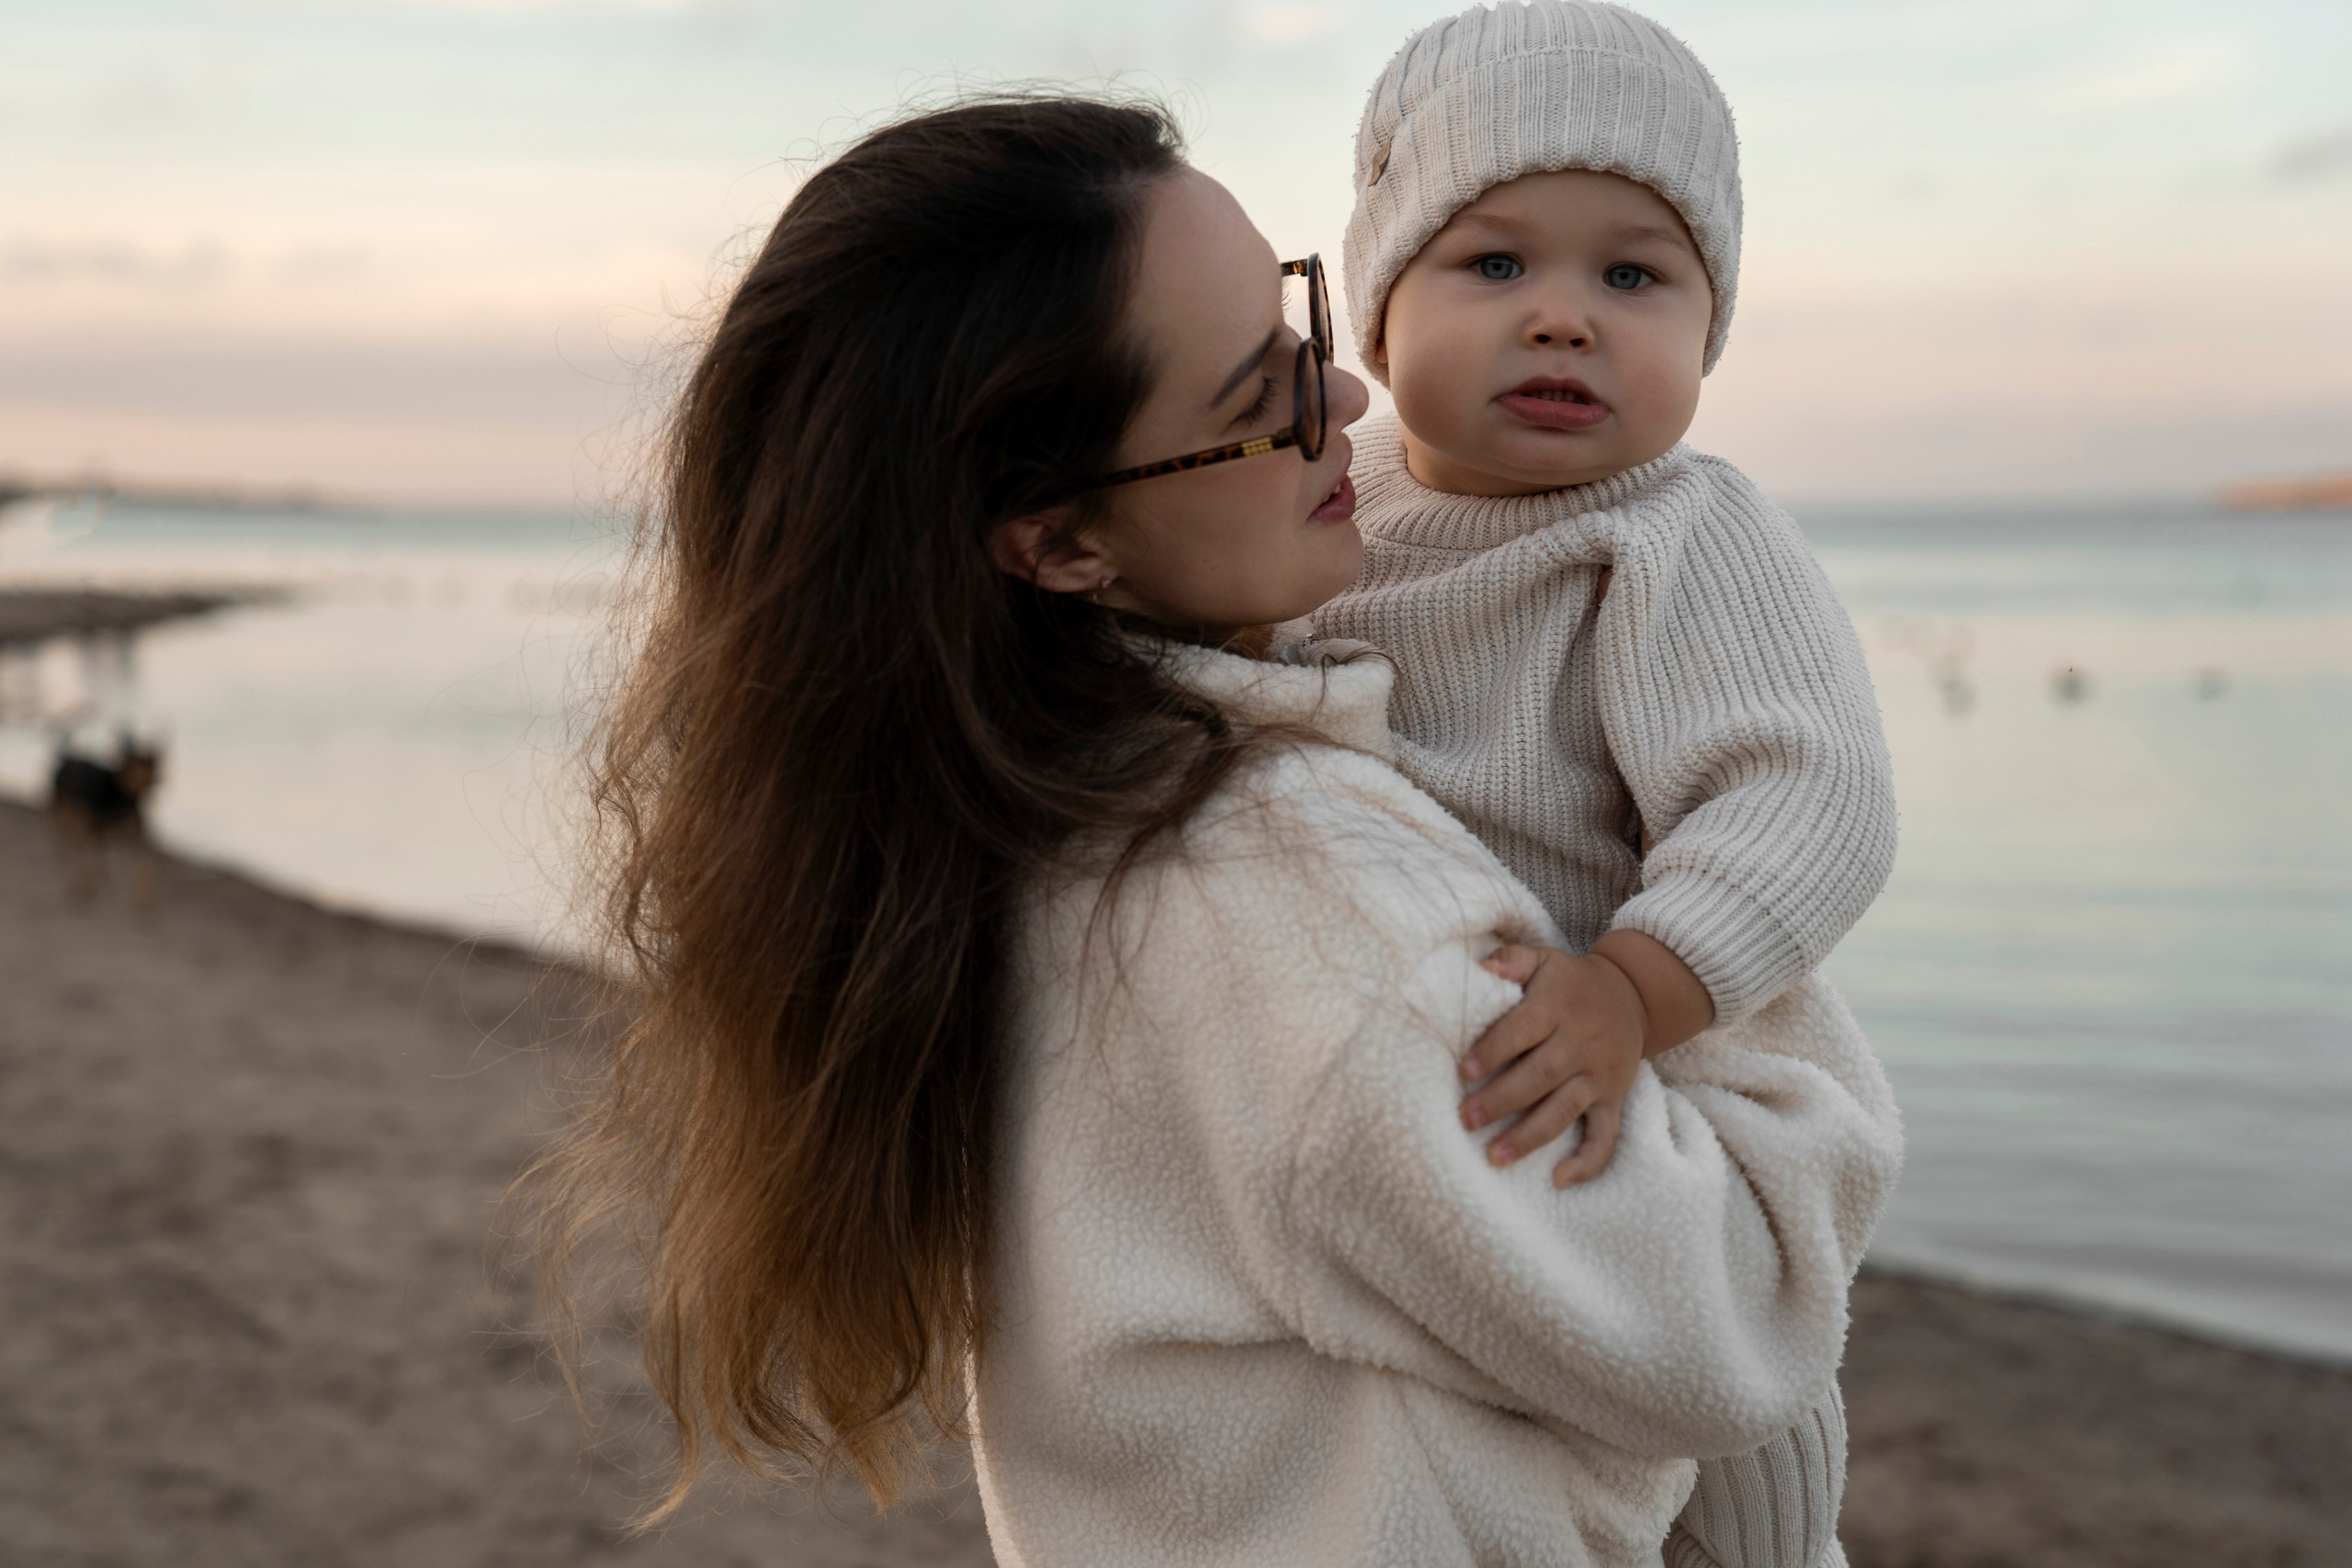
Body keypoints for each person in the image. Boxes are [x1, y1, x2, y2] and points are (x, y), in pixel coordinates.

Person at [534, 94, 1901, 1568]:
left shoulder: (988, 816)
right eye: (1262, 397)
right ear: (1057, 543)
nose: (1353, 406)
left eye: (1298, 324)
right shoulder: (1291, 910)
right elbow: (1731, 1325)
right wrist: (1717, 999)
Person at [1309, 5, 1903, 1563]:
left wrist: (1637, 988)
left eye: (1633, 275)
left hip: (1673, 1048)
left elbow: (1809, 795)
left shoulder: (1682, 533)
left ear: (1708, 326)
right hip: (1454, 1082)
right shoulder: (1323, 516)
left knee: (1743, 1430)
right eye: (1494, 263)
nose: (1565, 318)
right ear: (1376, 311)